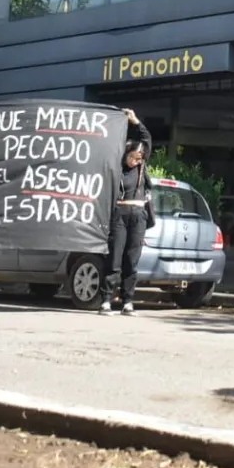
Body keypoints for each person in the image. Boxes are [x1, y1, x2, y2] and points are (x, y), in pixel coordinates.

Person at [101, 108, 152, 316]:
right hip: (119, 214)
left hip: (138, 215)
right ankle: (106, 300)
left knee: (132, 260)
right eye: (133, 157)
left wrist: (135, 121)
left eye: (139, 158)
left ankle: (127, 301)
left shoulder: (141, 167)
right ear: (126, 153)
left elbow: (146, 139)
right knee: (115, 258)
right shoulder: (117, 168)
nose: (136, 161)